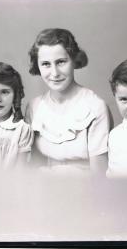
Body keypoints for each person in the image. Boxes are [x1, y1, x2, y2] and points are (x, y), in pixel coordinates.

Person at [26, 28, 111, 173]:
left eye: (61, 62)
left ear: (73, 61)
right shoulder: (34, 107)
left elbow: (100, 176)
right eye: (46, 64)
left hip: (85, 191)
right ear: (38, 66)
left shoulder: (95, 107)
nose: (54, 73)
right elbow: (34, 166)